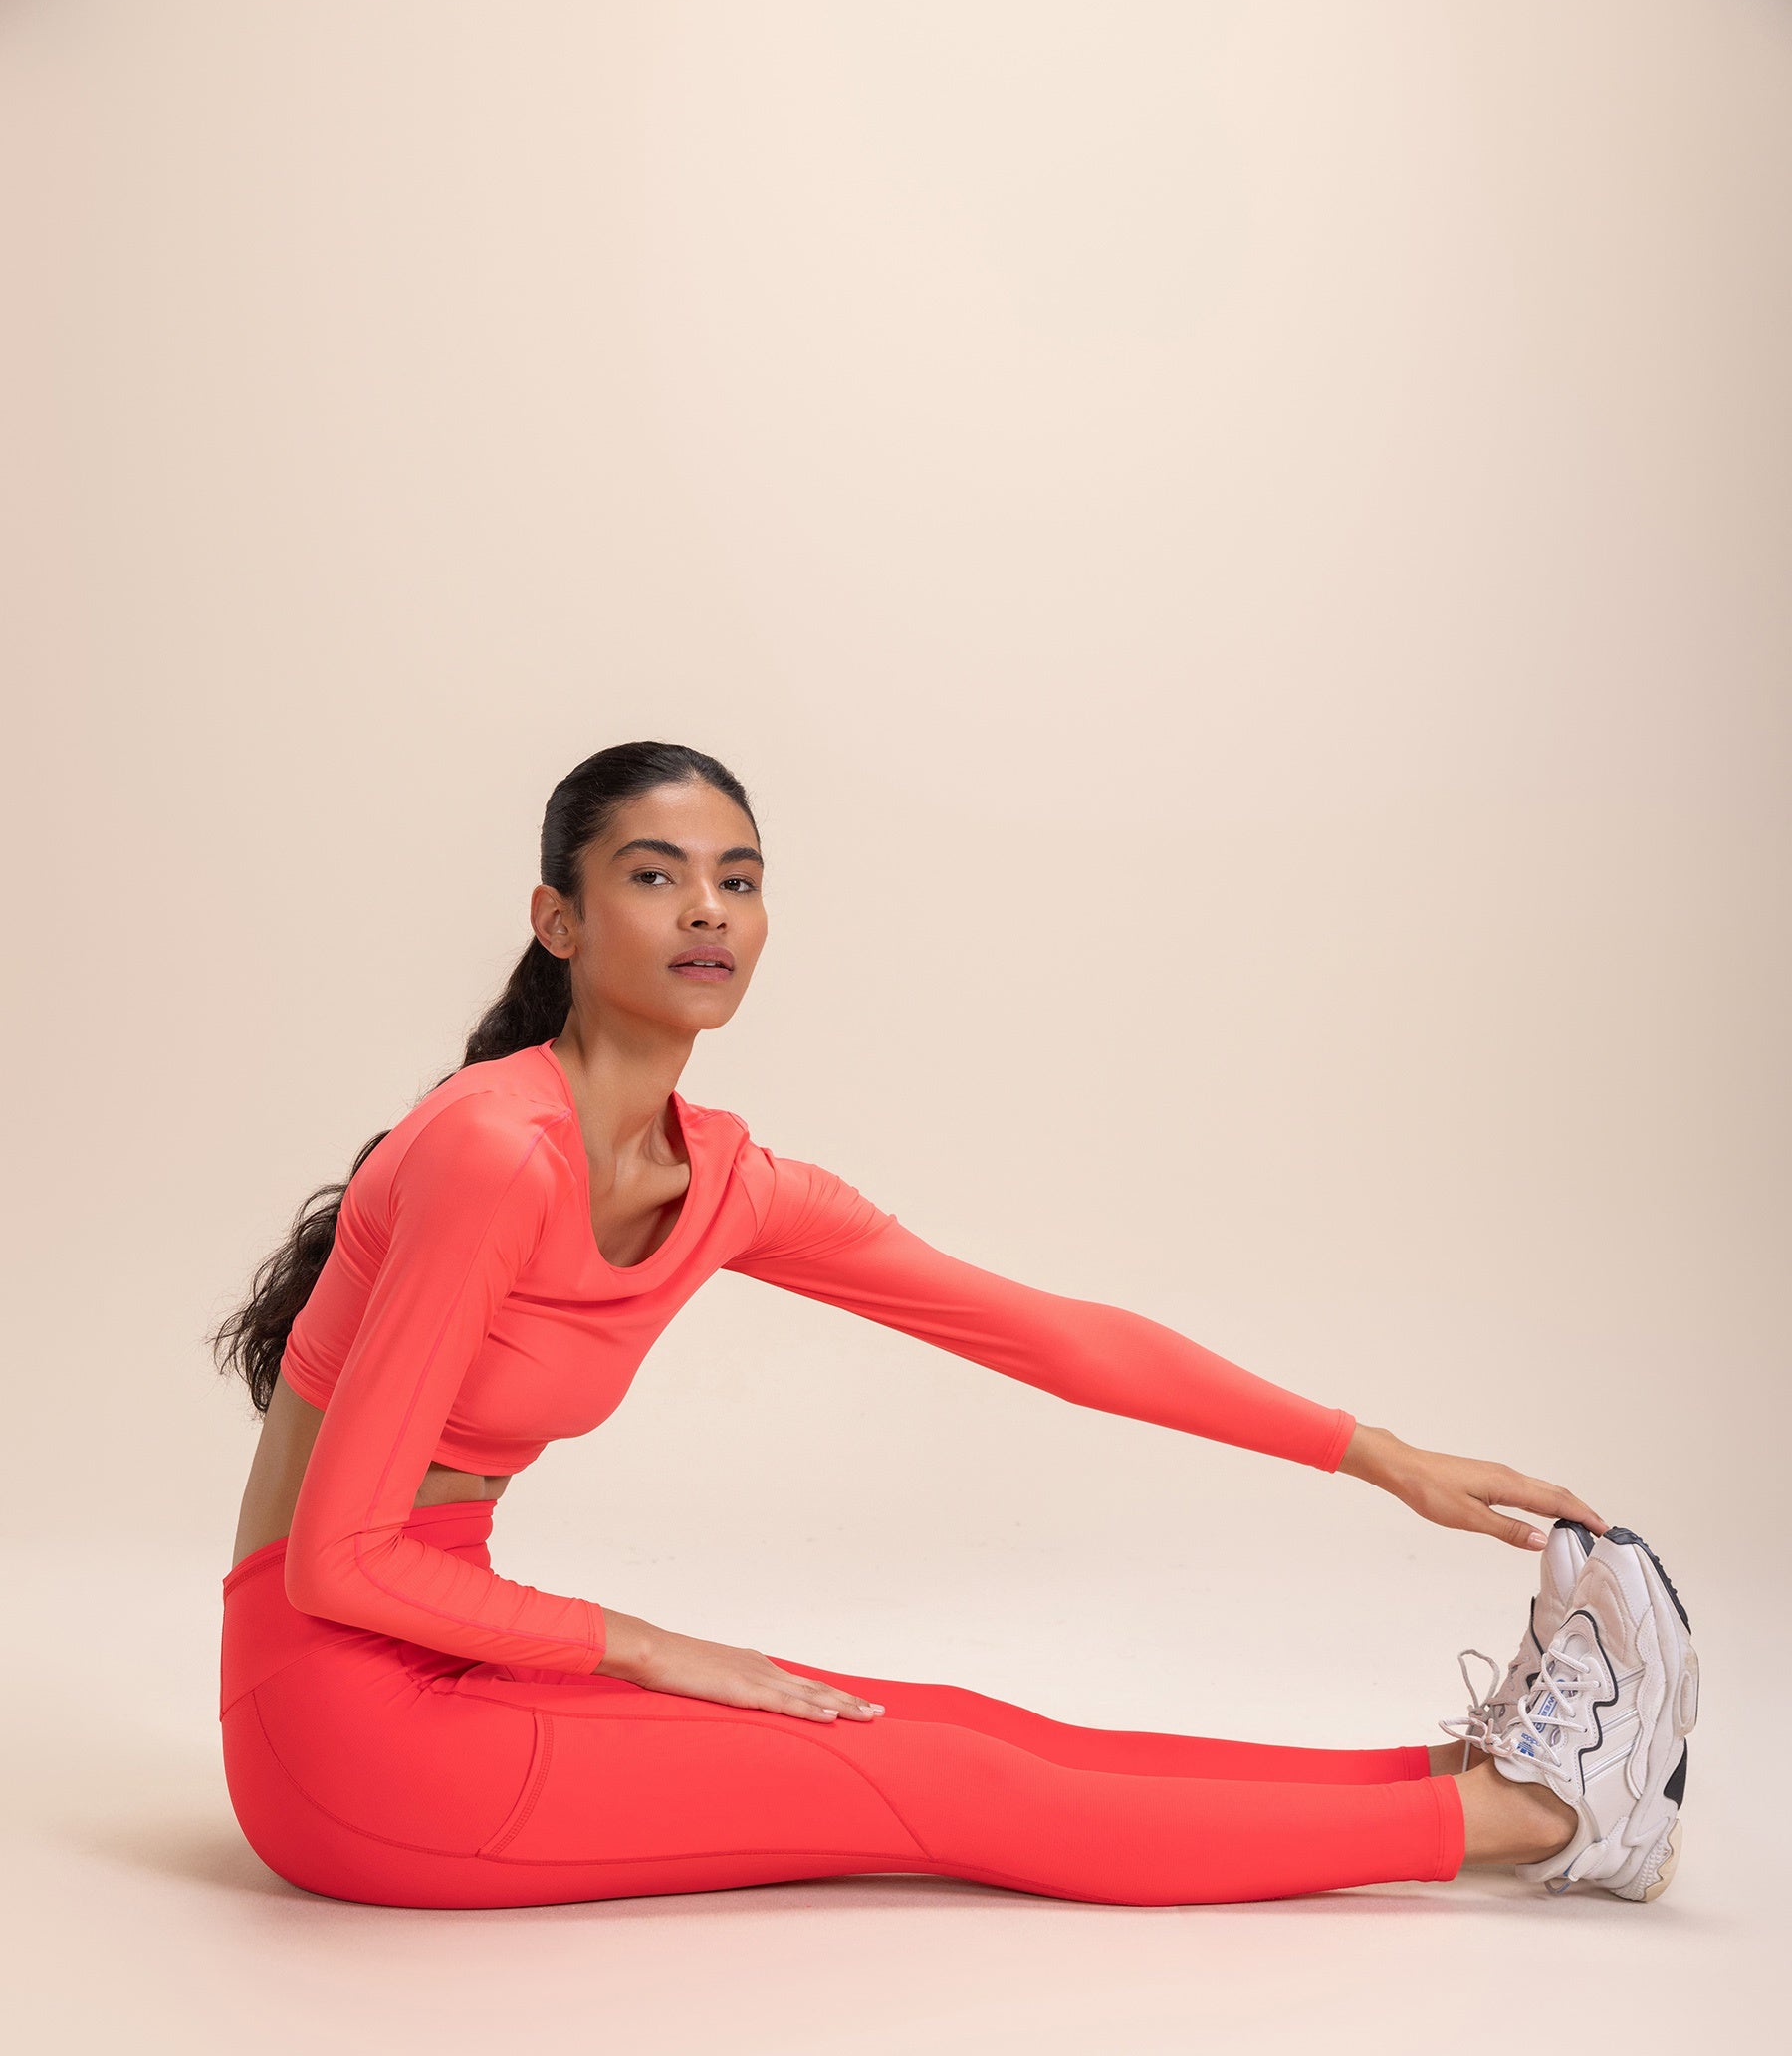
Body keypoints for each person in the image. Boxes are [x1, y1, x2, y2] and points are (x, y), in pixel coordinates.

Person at [214, 741, 1697, 1915]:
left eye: (738, 877)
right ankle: (1544, 1824)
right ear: (558, 918)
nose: (707, 910)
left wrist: (1377, 1455)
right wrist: (651, 1648)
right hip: (343, 1731)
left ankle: (1455, 1775)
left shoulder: (719, 1178)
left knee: (962, 1724)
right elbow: (343, 1560)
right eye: (655, 876)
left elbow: (1047, 1337)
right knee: (955, 1786)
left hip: (449, 1655)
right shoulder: (495, 1150)